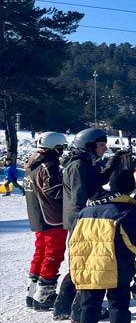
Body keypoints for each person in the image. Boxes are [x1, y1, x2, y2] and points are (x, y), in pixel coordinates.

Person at [70, 170, 136, 323]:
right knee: (118, 305)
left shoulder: (86, 211)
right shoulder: (124, 211)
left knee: (89, 305)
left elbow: (73, 238)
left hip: (86, 265)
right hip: (115, 266)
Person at [54, 128, 123, 322]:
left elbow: (97, 181)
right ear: (89, 145)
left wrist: (113, 162)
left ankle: (64, 306)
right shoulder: (78, 165)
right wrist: (105, 202)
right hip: (81, 220)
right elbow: (80, 198)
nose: (105, 148)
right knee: (85, 265)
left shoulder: (86, 163)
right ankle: (77, 308)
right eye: (101, 145)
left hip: (84, 218)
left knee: (82, 264)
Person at [24, 132, 69, 310]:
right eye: (61, 148)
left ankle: (33, 291)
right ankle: (44, 295)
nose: (62, 152)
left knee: (41, 251)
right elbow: (52, 190)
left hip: (37, 215)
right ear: (55, 147)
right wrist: (69, 190)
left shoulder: (32, 163)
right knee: (54, 253)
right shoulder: (48, 164)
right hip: (51, 217)